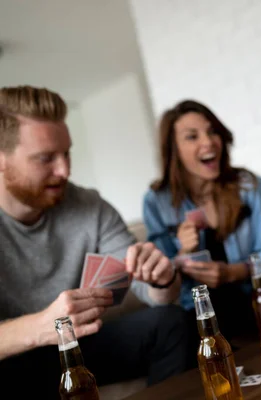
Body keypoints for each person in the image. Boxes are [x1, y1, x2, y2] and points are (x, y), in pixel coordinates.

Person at [0, 86, 189, 398]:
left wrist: (162, 277)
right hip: (12, 360)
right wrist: (38, 328)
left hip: (78, 348)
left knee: (172, 322)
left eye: (67, 153)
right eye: (46, 158)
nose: (64, 170)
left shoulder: (89, 206)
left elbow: (155, 295)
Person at [143, 100, 261, 360]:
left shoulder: (248, 186)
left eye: (212, 131)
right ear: (174, 150)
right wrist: (183, 251)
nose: (208, 142)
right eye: (192, 137)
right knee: (187, 322)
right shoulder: (156, 201)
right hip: (201, 308)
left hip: (251, 295)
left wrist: (232, 272)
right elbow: (161, 282)